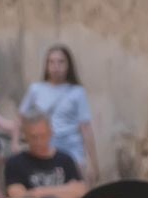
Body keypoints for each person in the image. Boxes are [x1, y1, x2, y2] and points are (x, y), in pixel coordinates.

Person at [18, 44, 96, 176]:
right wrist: (15, 143)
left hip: (72, 150)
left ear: (68, 65)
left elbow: (86, 127)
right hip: (44, 149)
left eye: (61, 62)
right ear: (46, 65)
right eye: (52, 62)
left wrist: (93, 163)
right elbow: (21, 117)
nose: (56, 66)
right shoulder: (36, 89)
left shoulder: (77, 92)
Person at [2, 113, 86, 198]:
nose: (39, 142)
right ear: (25, 136)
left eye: (43, 136)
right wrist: (65, 190)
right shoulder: (15, 163)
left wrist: (39, 192)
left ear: (51, 132)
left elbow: (80, 192)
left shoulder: (65, 160)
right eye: (34, 137)